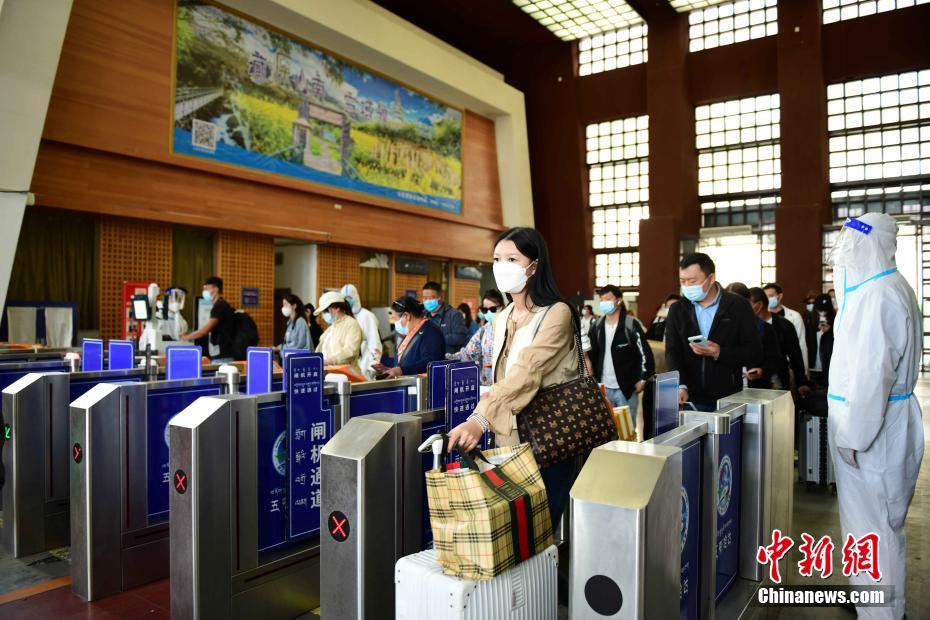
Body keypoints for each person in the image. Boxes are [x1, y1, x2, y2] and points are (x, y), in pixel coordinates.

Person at [446, 227, 583, 531]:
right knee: (513, 533)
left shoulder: (556, 313)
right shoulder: (502, 317)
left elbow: (526, 371)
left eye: (512, 259)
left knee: (538, 532)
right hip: (507, 441)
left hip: (549, 439)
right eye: (497, 259)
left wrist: (479, 419)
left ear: (533, 266)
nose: (501, 266)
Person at [827, 213, 923, 619]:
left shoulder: (878, 296)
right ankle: (869, 598)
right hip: (881, 425)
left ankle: (883, 612)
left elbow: (871, 377)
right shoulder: (885, 288)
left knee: (876, 528)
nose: (846, 252)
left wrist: (853, 436)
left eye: (855, 243)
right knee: (870, 524)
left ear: (872, 245)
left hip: (872, 432)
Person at [665, 254, 763, 411]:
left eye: (693, 281)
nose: (687, 286)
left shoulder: (738, 306)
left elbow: (754, 351)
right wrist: (680, 385)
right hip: (691, 399)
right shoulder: (678, 310)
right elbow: (672, 351)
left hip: (728, 398)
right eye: (683, 281)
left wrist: (719, 352)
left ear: (711, 278)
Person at [585, 285, 654, 425]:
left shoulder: (630, 325)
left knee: (626, 430)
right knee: (607, 430)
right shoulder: (597, 326)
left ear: (619, 301)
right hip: (603, 388)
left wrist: (643, 379)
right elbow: (591, 355)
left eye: (608, 299)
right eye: (602, 299)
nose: (604, 302)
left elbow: (645, 354)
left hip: (626, 389)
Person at [747, 287, 811, 394]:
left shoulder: (784, 325)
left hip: (779, 381)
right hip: (754, 383)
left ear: (759, 305)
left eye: (748, 305)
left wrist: (801, 381)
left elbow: (795, 354)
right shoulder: (746, 325)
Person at [371, 296, 445, 377]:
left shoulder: (431, 332)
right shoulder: (412, 332)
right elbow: (404, 361)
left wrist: (401, 371)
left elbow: (429, 363)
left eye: (395, 319)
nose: (395, 323)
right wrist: (386, 366)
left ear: (406, 316)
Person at [447, 289, 505, 386]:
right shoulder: (483, 330)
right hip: (487, 385)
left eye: (493, 309)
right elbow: (470, 353)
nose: (489, 313)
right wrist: (452, 357)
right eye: (485, 310)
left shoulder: (510, 328)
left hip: (505, 385)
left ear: (502, 307)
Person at [181, 276, 236, 362]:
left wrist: (186, 337)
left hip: (222, 356)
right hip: (223, 354)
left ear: (216, 289)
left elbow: (204, 331)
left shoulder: (219, 307)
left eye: (207, 289)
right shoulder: (223, 305)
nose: (204, 292)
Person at [763, 282, 809, 373]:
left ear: (780, 296)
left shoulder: (794, 316)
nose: (768, 299)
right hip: (768, 366)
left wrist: (804, 372)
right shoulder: (761, 317)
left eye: (771, 296)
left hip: (789, 365)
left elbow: (801, 344)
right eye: (765, 297)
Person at [340, 284, 383, 381]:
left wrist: (373, 366)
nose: (347, 301)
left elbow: (374, 342)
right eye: (345, 299)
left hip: (365, 366)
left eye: (350, 298)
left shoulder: (367, 316)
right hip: (348, 367)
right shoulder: (344, 318)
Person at [313, 291, 363, 370]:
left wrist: (328, 361)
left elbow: (350, 351)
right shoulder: (331, 328)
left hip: (345, 373)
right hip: (329, 371)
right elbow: (320, 349)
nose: (325, 314)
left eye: (326, 311)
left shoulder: (352, 324)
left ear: (337, 308)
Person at [422, 281, 469, 355]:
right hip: (426, 357)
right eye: (425, 298)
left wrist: (438, 337)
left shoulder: (454, 315)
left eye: (431, 298)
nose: (427, 301)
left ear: (440, 297)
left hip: (446, 359)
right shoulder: (422, 315)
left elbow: (461, 337)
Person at [804, 293, 835, 388]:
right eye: (820, 309)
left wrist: (829, 332)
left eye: (825, 310)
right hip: (812, 366)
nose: (822, 312)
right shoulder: (808, 319)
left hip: (829, 366)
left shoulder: (835, 320)